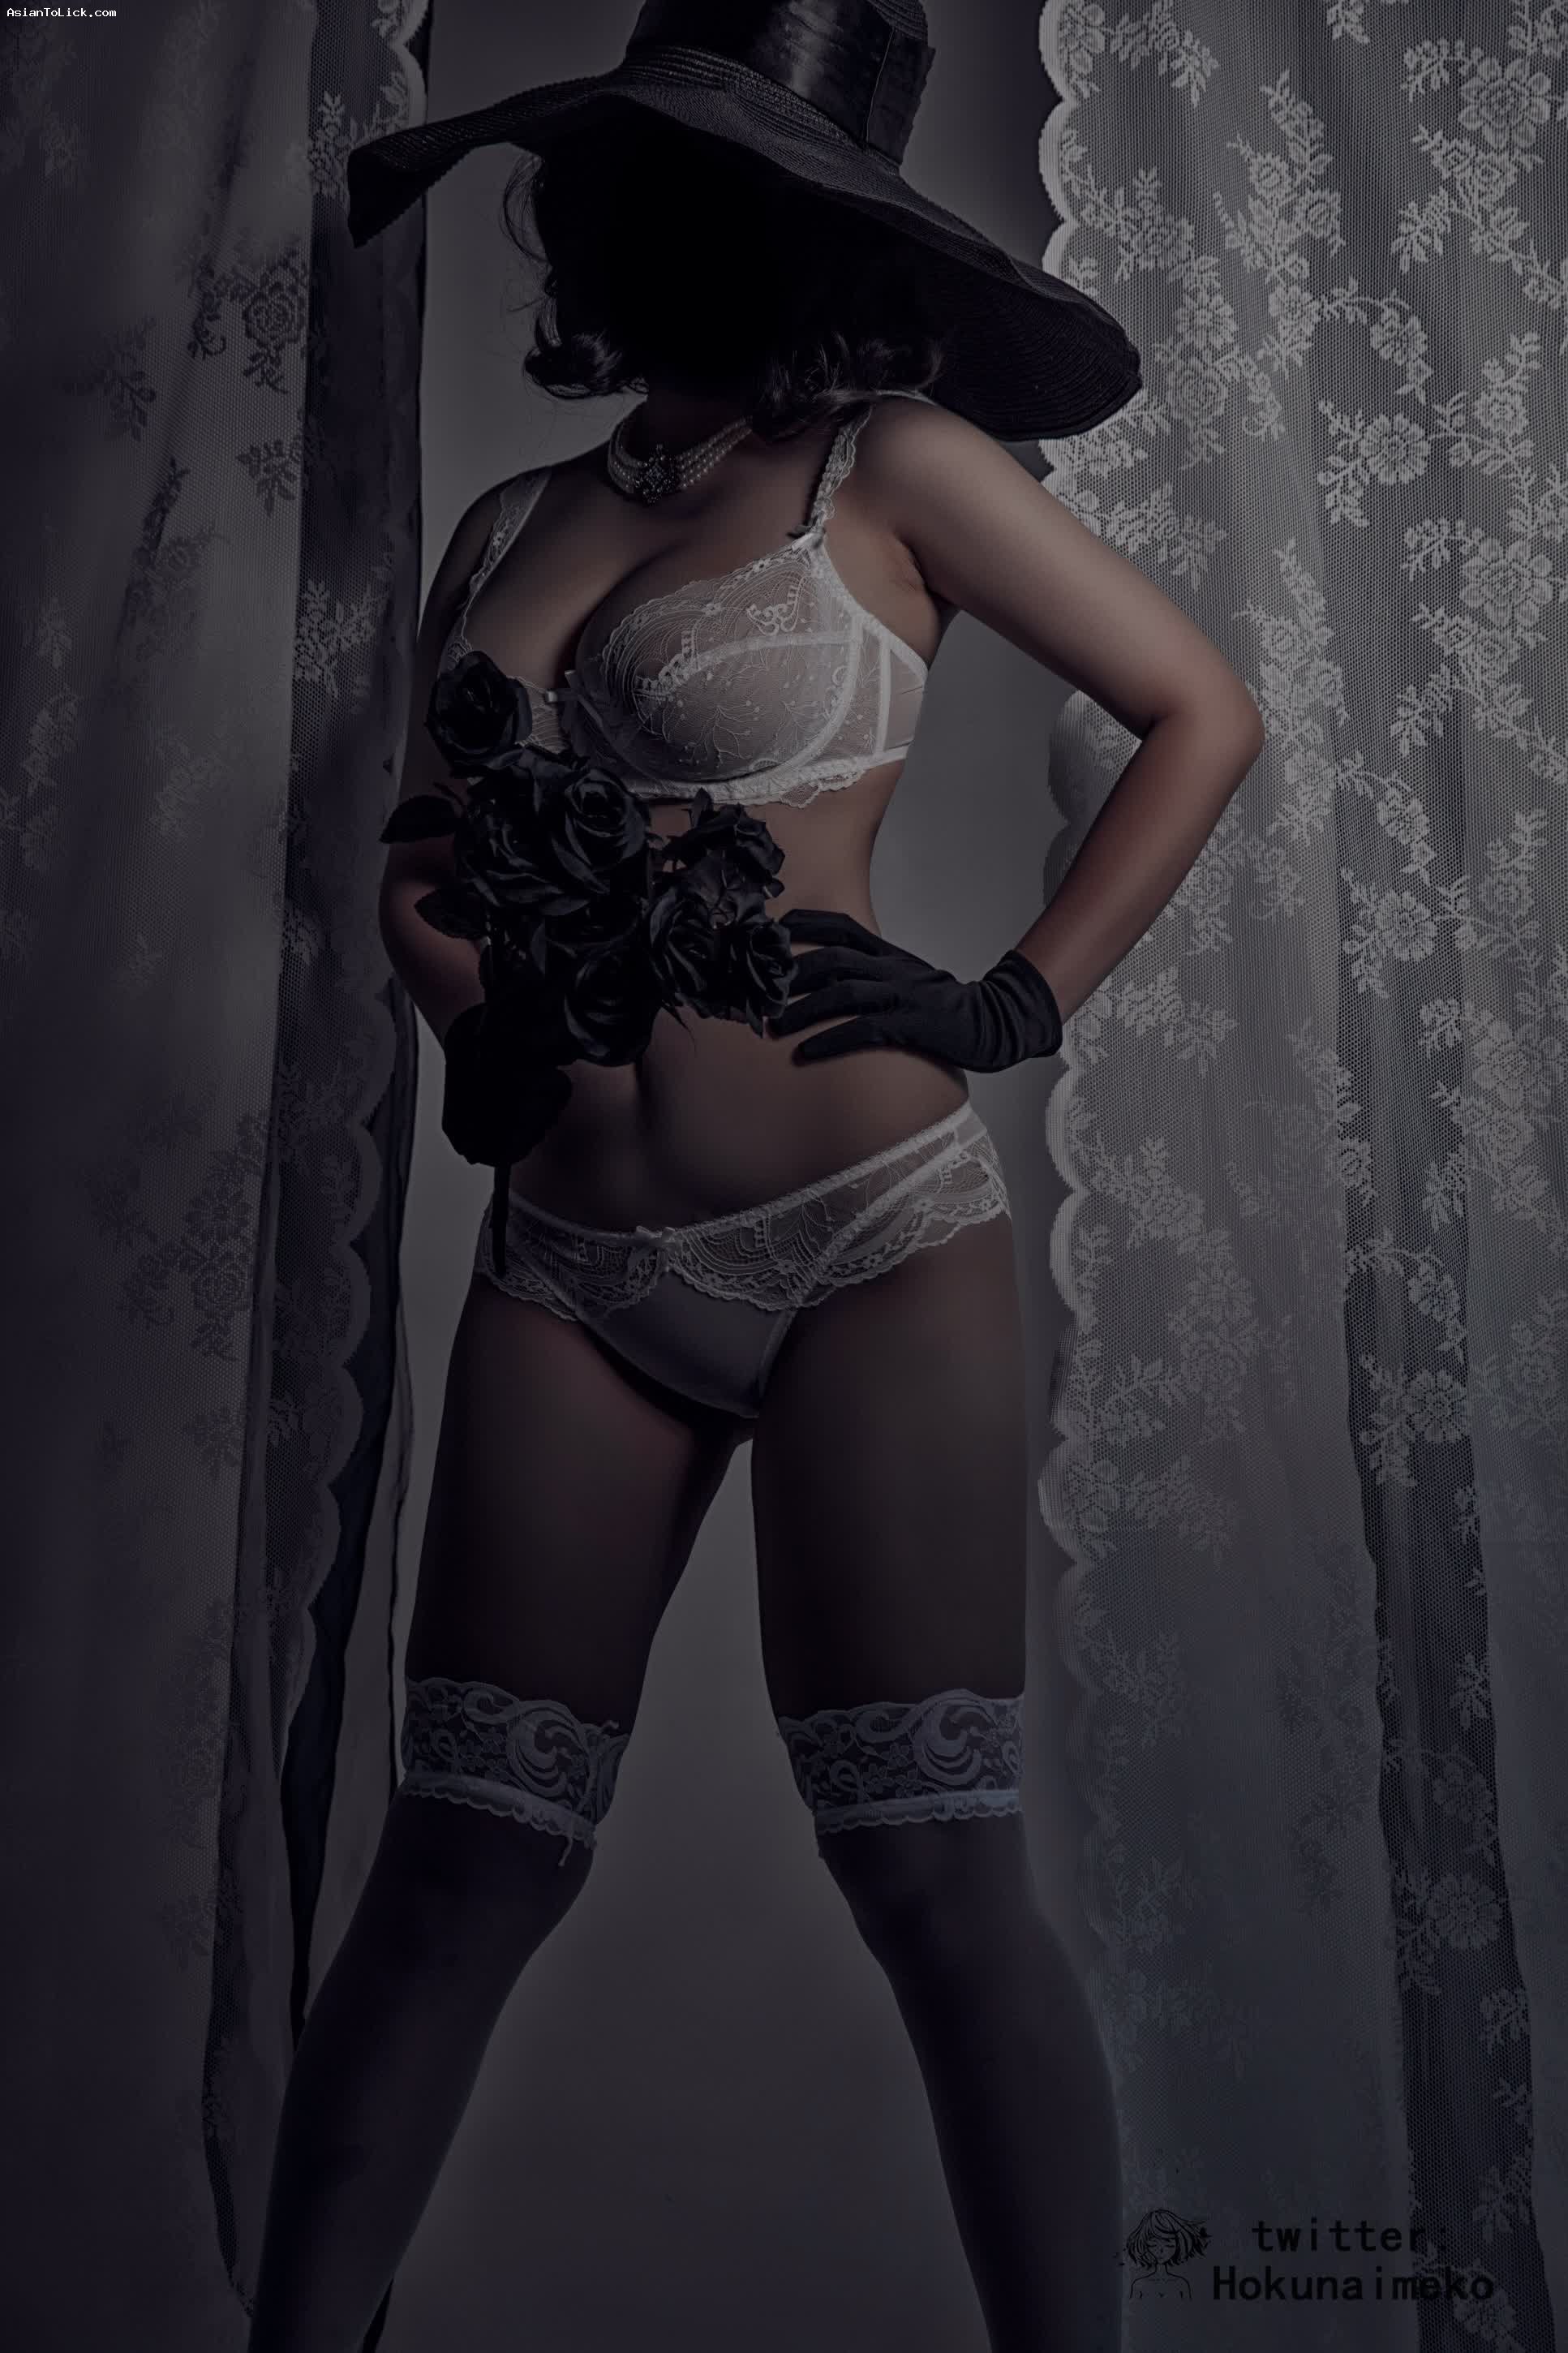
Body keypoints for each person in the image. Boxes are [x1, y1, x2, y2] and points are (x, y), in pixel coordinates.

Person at [247, 6, 1263, 2350]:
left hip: (862, 1250)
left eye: (714, 180)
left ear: (815, 222)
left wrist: (1014, 1002)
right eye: (632, 172)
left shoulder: (896, 468)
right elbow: (418, 856)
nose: (644, 215)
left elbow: (1202, 710)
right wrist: (476, 1019)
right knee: (459, 1868)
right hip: (568, 1261)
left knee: (933, 1881)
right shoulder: (522, 520)